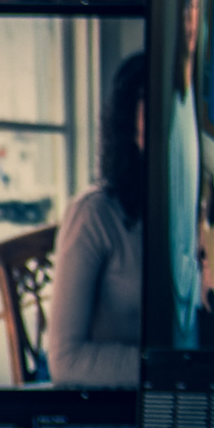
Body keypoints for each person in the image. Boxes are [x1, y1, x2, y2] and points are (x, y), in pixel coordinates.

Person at [50, 53, 148, 387]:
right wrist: (168, 372)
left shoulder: (188, 210)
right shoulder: (92, 214)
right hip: (116, 408)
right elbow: (65, 361)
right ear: (128, 128)